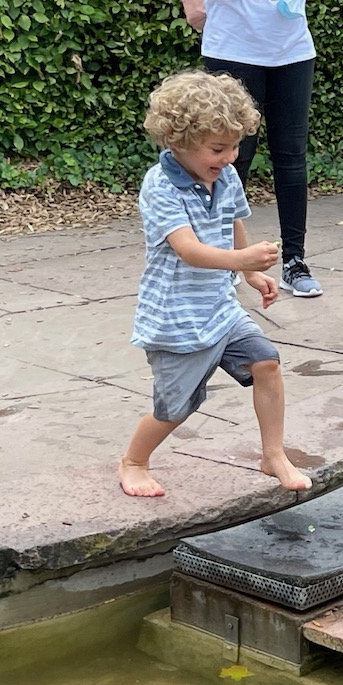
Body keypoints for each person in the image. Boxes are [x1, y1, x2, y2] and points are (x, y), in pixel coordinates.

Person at [119, 70, 312, 499]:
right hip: (177, 317)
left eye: (236, 146)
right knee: (175, 408)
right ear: (179, 140)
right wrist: (241, 259)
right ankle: (133, 461)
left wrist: (249, 273)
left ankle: (273, 454)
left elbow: (231, 221)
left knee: (266, 362)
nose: (229, 157)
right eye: (218, 148)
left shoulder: (223, 176)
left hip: (220, 308)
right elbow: (187, 249)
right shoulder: (161, 185)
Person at [199, 0, 324, 298]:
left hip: (291, 46)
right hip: (235, 48)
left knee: (291, 158)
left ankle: (294, 261)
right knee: (233, 157)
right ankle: (226, 263)